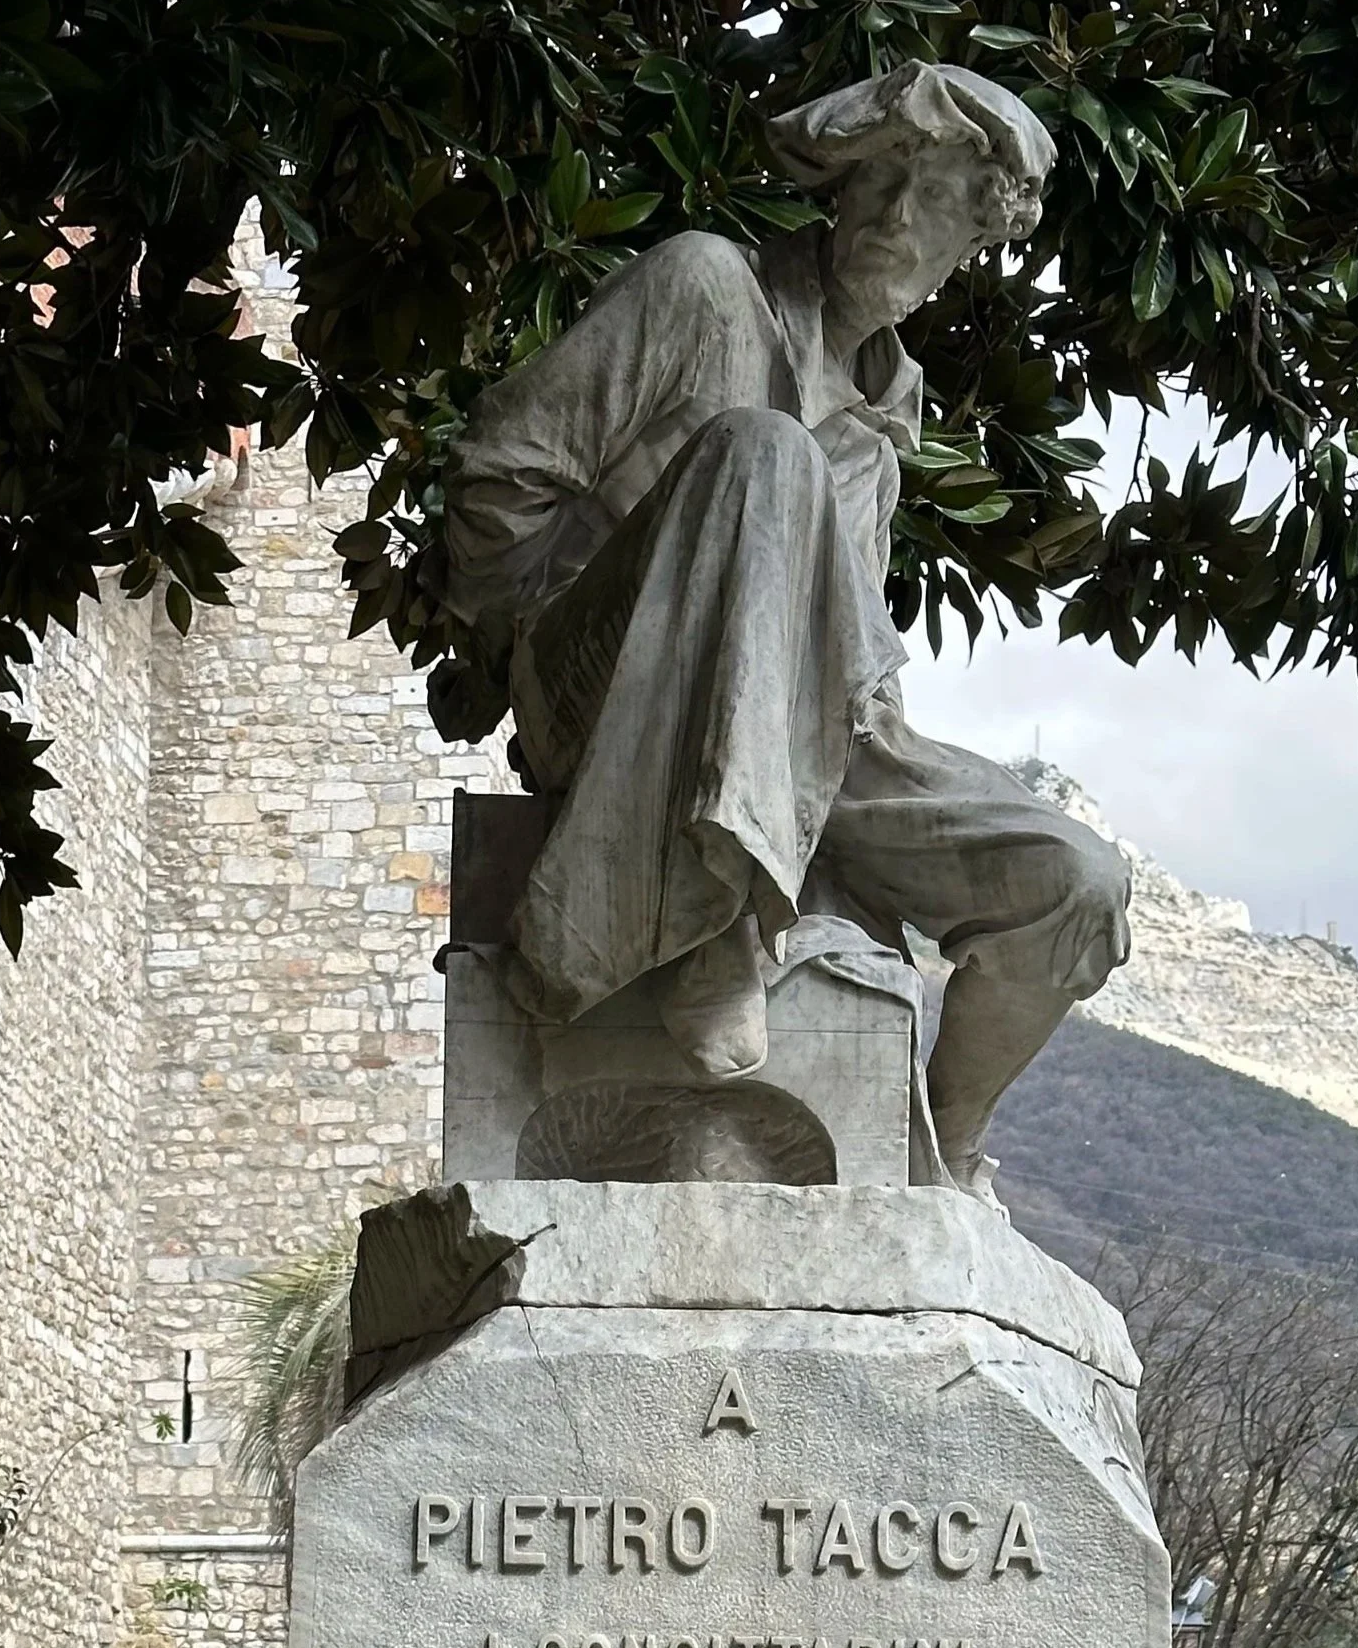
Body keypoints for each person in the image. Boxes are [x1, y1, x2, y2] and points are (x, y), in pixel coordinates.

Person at [437, 61, 1132, 1198]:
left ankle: (938, 1154)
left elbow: (840, 660)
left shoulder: (879, 427)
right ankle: (710, 924)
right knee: (763, 450)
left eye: (942, 200)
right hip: (609, 694)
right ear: (840, 181)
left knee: (1074, 881)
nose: (897, 217)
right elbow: (493, 489)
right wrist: (626, 597)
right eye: (883, 178)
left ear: (975, 242)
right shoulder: (704, 288)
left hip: (811, 737)